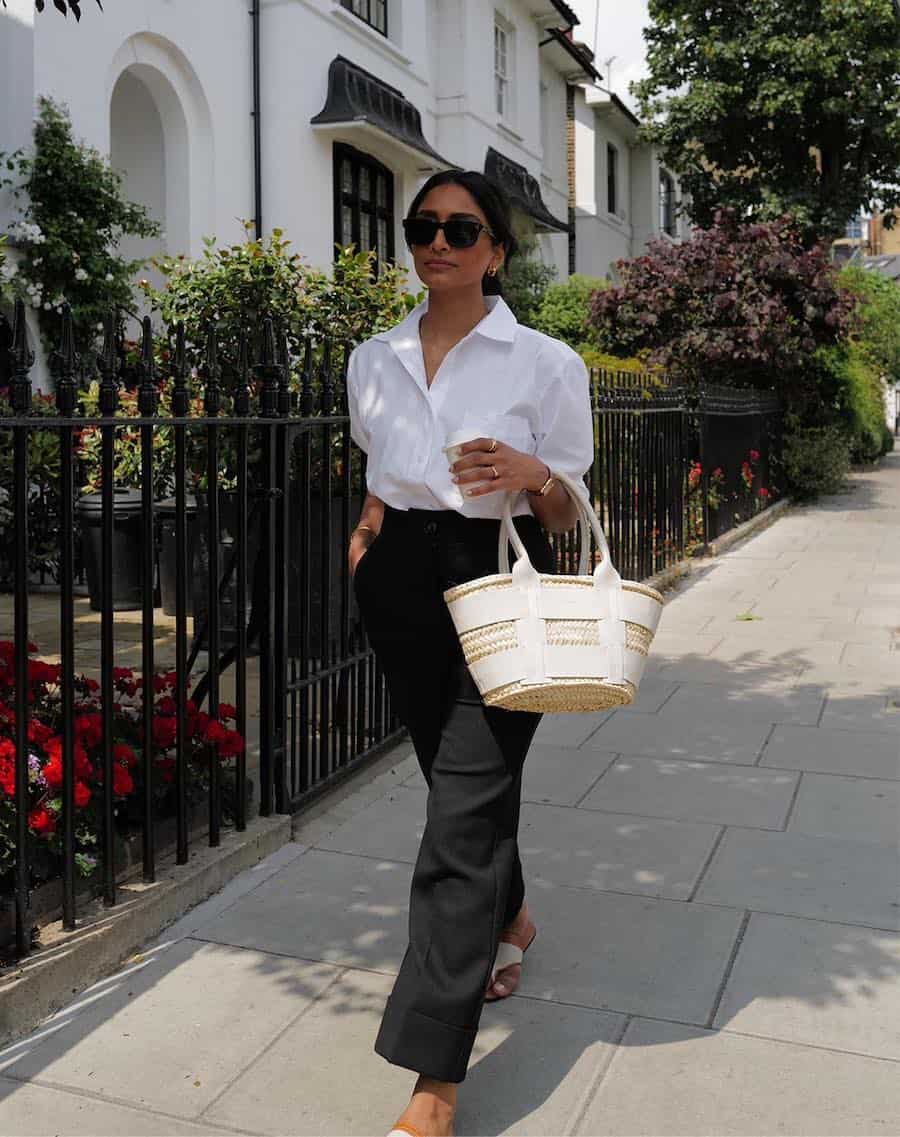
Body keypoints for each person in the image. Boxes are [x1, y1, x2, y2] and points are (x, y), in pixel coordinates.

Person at [345, 169, 594, 1137]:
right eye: (422, 227)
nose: (437, 242)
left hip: (500, 568)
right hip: (401, 574)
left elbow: (567, 505)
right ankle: (512, 917)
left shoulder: (544, 362)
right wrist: (364, 547)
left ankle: (432, 1085)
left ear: (496, 249)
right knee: (460, 789)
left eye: (460, 228)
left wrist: (535, 474)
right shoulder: (372, 358)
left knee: (460, 817)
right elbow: (377, 478)